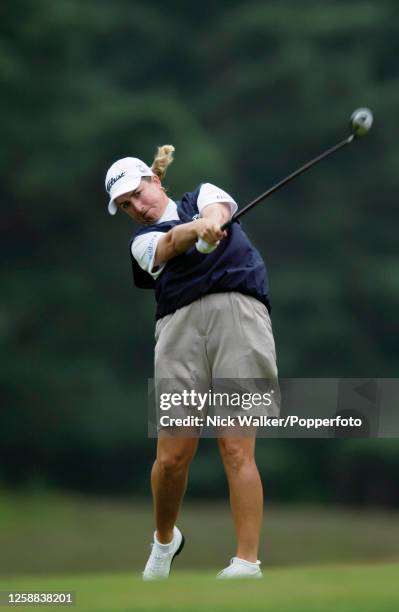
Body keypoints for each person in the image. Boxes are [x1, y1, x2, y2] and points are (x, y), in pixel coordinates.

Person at [104, 145, 278, 580]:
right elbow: (166, 244)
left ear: (155, 181)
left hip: (239, 311)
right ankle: (165, 542)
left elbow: (218, 208)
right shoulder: (140, 243)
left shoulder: (199, 194)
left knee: (236, 446)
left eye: (138, 194)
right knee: (172, 458)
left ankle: (246, 562)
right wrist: (195, 233)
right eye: (126, 205)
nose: (137, 207)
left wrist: (211, 225)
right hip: (179, 328)